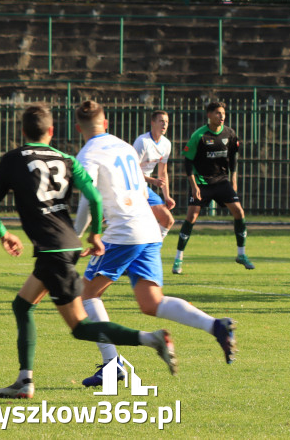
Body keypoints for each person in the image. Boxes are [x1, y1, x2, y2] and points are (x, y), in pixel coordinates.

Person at [0, 104, 176, 399]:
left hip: (52, 250)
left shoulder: (12, 159)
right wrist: (96, 233)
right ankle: (24, 379)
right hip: (68, 242)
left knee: (80, 327)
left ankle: (151, 340)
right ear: (51, 131)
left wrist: (3, 234)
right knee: (22, 305)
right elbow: (95, 197)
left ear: (22, 132)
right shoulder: (67, 158)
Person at [70, 101, 237, 387]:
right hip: (147, 228)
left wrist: (77, 237)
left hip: (122, 232)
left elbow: (88, 198)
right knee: (151, 302)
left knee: (86, 295)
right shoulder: (124, 146)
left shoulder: (87, 155)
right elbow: (140, 187)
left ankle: (112, 366)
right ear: (106, 123)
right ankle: (215, 325)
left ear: (78, 128)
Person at [173, 101, 252, 274]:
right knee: (191, 216)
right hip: (201, 182)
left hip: (222, 181)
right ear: (209, 115)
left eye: (223, 113)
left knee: (239, 212)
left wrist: (234, 179)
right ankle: (178, 259)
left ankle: (241, 254)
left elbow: (233, 158)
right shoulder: (199, 136)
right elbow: (188, 161)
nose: (221, 116)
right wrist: (193, 186)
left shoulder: (230, 134)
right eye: (217, 113)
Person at [132, 110, 176, 238]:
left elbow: (163, 172)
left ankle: (151, 249)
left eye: (167, 122)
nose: (164, 124)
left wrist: (167, 196)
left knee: (168, 220)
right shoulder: (142, 142)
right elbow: (131, 171)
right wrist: (152, 181)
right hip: (130, 186)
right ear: (152, 123)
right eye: (161, 121)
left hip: (143, 188)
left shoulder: (166, 144)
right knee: (111, 217)